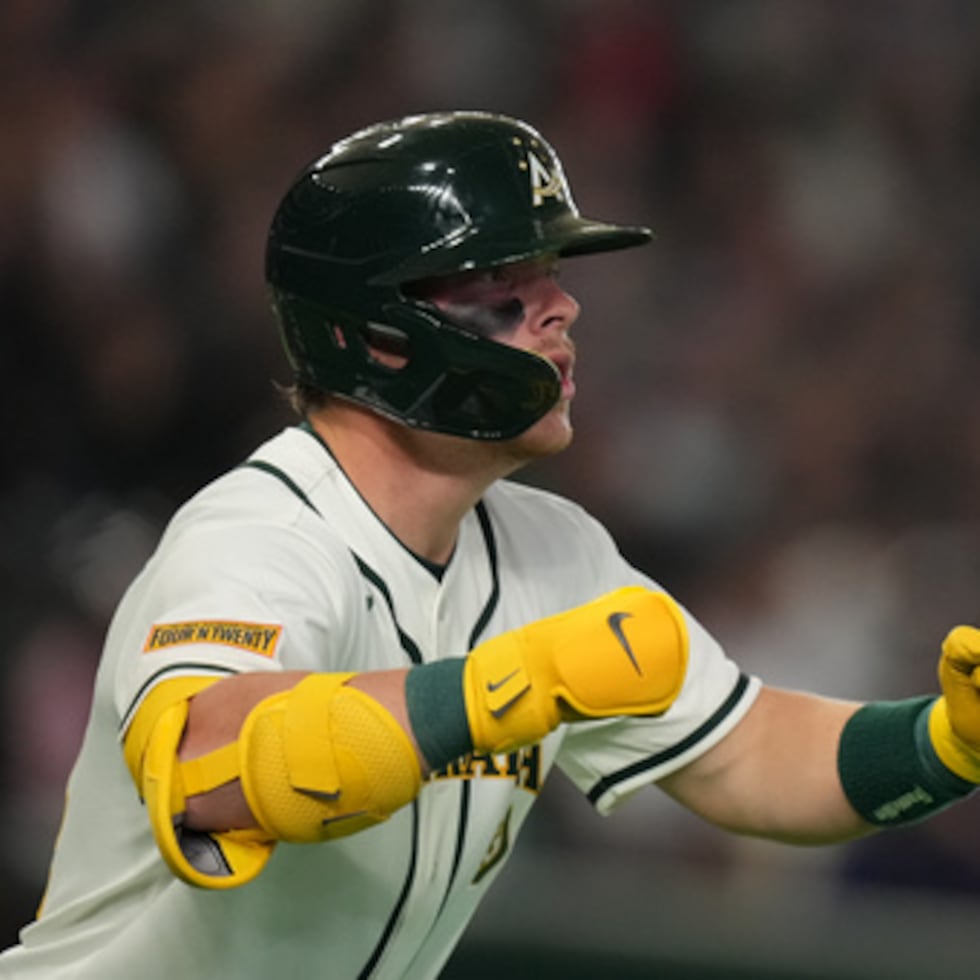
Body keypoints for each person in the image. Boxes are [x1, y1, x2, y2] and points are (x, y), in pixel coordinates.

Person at [3, 110, 980, 980]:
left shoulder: (551, 549)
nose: (562, 309)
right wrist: (506, 689)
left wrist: (942, 739)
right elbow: (211, 764)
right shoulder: (261, 534)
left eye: (551, 278)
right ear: (376, 333)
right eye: (505, 288)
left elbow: (757, 755)